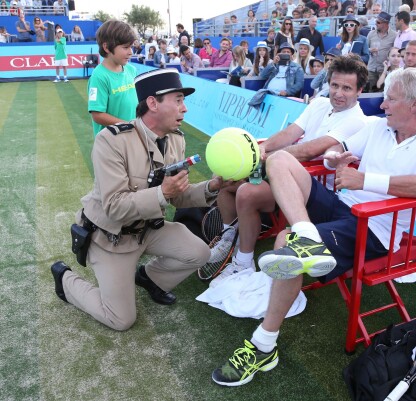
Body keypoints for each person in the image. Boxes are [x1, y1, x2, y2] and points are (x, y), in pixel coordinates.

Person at [211, 67, 416, 386]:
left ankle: (263, 345)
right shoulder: (377, 127)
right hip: (343, 207)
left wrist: (364, 179)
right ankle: (307, 234)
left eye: (390, 99)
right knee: (278, 161)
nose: (382, 105)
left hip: (375, 227)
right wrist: (334, 158)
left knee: (285, 245)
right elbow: (332, 154)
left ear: (413, 103)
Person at [50, 69, 227, 331]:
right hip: (110, 237)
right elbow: (113, 207)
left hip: (147, 231)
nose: (185, 108)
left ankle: (149, 278)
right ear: (153, 103)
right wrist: (162, 193)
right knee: (121, 319)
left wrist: (212, 186)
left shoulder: (176, 139)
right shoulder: (111, 141)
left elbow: (177, 198)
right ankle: (65, 280)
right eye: (177, 100)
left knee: (200, 252)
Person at [208, 56, 370, 287]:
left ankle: (242, 260)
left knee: (246, 192)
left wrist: (264, 160)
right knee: (226, 180)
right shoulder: (320, 104)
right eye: (334, 85)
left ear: (359, 91)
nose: (338, 93)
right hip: (285, 176)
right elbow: (290, 133)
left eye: (347, 88)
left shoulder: (357, 121)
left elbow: (308, 151)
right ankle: (228, 237)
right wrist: (261, 148)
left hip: (314, 189)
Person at [87, 20, 138, 137]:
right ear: (106, 47)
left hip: (131, 139)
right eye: (125, 47)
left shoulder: (131, 70)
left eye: (131, 47)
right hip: (110, 144)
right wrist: (129, 125)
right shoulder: (99, 77)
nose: (131, 52)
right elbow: (97, 115)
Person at [367, 12, 396, 92]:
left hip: (384, 70)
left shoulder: (394, 35)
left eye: (378, 22)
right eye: (376, 21)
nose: (376, 24)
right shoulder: (371, 34)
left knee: (383, 93)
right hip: (371, 69)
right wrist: (370, 50)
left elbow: (394, 52)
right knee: (371, 93)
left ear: (386, 24)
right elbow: (365, 49)